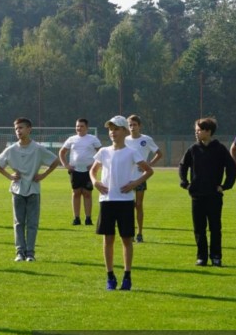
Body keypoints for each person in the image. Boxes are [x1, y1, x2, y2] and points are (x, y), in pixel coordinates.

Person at [90, 115, 153, 291]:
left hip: (125, 201)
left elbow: (149, 171)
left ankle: (127, 276)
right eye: (110, 129)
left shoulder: (132, 152)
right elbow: (93, 170)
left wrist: (134, 183)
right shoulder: (103, 151)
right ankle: (110, 276)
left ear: (125, 131)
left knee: (127, 239)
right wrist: (95, 182)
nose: (112, 132)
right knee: (107, 239)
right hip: (107, 201)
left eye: (116, 129)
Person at [0, 117, 60, 261]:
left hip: (33, 190)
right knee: (18, 223)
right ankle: (19, 252)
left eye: (21, 128)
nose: (18, 131)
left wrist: (43, 174)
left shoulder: (38, 148)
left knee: (32, 223)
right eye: (16, 129)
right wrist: (9, 176)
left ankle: (30, 253)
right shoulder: (11, 149)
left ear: (29, 129)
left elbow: (55, 161)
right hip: (17, 190)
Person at [178, 117, 236, 267]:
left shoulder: (220, 149)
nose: (196, 133)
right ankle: (201, 257)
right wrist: (185, 183)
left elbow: (232, 168)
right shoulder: (193, 149)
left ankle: (216, 256)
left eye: (199, 130)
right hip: (197, 196)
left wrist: (225, 186)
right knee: (199, 228)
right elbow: (182, 166)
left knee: (215, 228)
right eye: (196, 131)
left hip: (214, 196)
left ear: (208, 131)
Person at [124, 115, 162, 242]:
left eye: (134, 125)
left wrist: (148, 165)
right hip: (126, 177)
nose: (132, 127)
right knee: (127, 206)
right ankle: (128, 232)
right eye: (130, 125)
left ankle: (139, 233)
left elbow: (159, 153)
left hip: (140, 177)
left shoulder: (146, 139)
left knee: (138, 205)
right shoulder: (124, 140)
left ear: (139, 126)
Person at [59, 118, 102, 226]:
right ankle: (76, 218)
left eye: (82, 126)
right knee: (76, 193)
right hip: (75, 170)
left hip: (89, 172)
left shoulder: (93, 139)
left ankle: (88, 219)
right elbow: (62, 152)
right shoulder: (71, 139)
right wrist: (66, 165)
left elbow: (102, 153)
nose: (79, 128)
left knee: (87, 193)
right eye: (77, 126)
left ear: (87, 127)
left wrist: (94, 166)